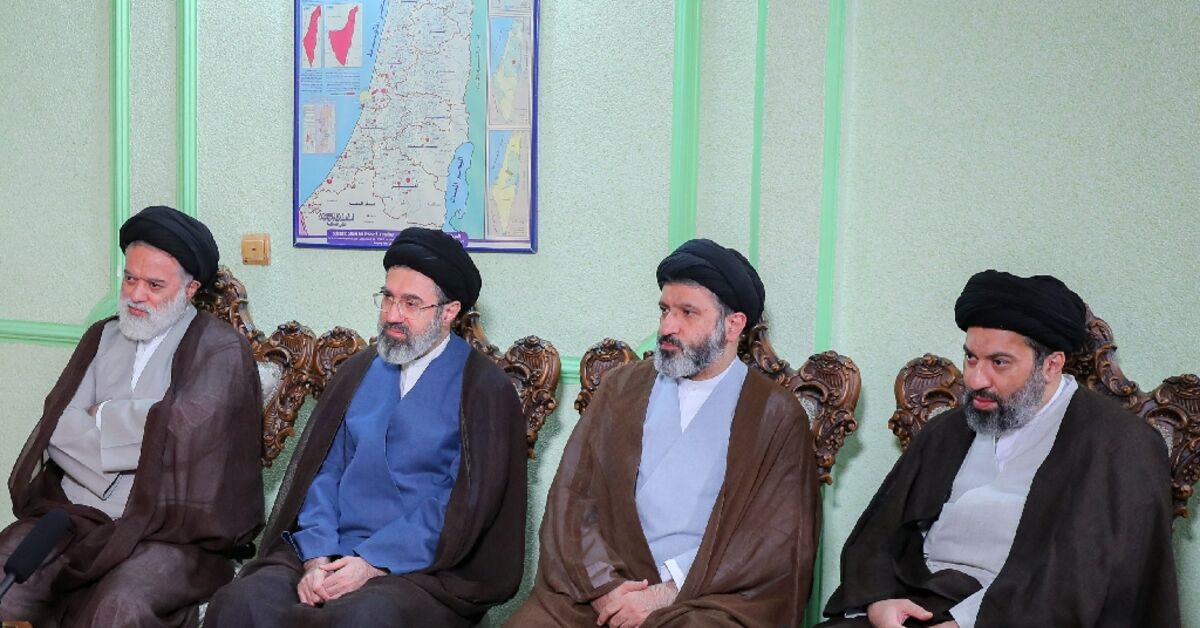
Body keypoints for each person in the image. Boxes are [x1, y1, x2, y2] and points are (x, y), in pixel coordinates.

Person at [818, 270, 1181, 628]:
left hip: (1016, 617)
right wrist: (879, 603)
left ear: (1051, 365)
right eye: (971, 358)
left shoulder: (1119, 446)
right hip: (916, 606)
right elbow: (878, 539)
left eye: (999, 362)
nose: (975, 379)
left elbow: (1087, 582)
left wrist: (963, 624)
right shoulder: (947, 430)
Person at [206, 227, 527, 628]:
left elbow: (461, 508)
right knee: (243, 601)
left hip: (423, 568)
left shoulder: (482, 390)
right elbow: (323, 475)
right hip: (331, 547)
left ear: (448, 312)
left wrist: (373, 563)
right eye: (388, 297)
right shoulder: (358, 370)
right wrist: (317, 557)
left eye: (411, 303)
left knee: (362, 618)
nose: (392, 314)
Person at [510, 239, 820, 627]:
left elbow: (774, 542)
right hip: (605, 587)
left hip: (707, 598)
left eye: (687, 312)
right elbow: (573, 501)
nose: (667, 327)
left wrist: (667, 592)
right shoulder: (621, 387)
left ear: (733, 325)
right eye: (664, 310)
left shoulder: (775, 414)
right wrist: (606, 588)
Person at [0, 205, 264, 627]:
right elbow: (59, 425)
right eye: (130, 278)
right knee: (7, 570)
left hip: (172, 532)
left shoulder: (220, 350)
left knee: (118, 605)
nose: (137, 295)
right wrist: (140, 439)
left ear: (190, 288)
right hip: (78, 516)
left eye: (154, 285)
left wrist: (101, 414)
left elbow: (185, 436)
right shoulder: (103, 335)